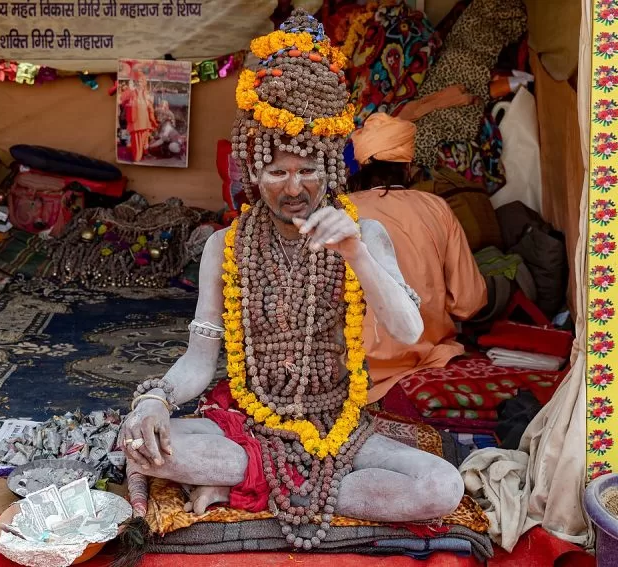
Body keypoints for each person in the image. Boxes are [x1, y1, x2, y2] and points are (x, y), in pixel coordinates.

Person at [118, 11, 464, 550]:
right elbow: (199, 361)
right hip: (249, 425)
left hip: (343, 426)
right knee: (142, 443)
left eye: (308, 170)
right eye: (277, 171)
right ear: (253, 174)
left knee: (442, 487)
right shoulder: (223, 247)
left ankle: (250, 489)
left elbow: (409, 330)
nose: (294, 186)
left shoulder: (363, 233)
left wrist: (355, 253)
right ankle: (295, 487)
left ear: (330, 167)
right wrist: (155, 400)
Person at [348, 113, 488, 402]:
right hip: (427, 357)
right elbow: (469, 302)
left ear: (361, 166)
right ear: (408, 166)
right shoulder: (436, 207)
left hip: (355, 368)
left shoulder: (338, 212)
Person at [120, 70, 158, 162]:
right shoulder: (131, 92)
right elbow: (122, 100)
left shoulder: (146, 93)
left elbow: (150, 108)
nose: (139, 83)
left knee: (145, 140)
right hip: (136, 122)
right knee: (137, 145)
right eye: (138, 81)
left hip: (145, 122)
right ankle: (137, 157)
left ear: (144, 82)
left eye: (141, 81)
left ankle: (145, 153)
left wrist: (153, 120)